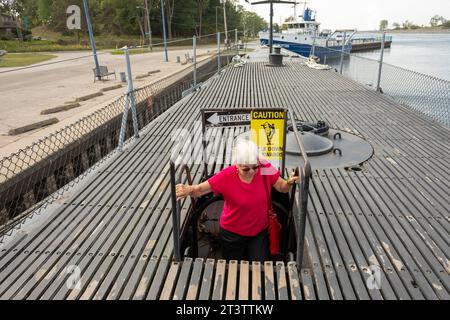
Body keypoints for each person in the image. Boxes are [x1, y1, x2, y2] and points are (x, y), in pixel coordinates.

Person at [176, 140, 298, 262]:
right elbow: (200, 190)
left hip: (259, 232)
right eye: (246, 169)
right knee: (233, 265)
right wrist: (188, 189)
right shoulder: (226, 176)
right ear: (237, 165)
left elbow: (282, 187)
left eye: (255, 167)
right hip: (232, 233)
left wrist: (289, 182)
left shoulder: (264, 167)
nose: (251, 172)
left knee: (259, 263)